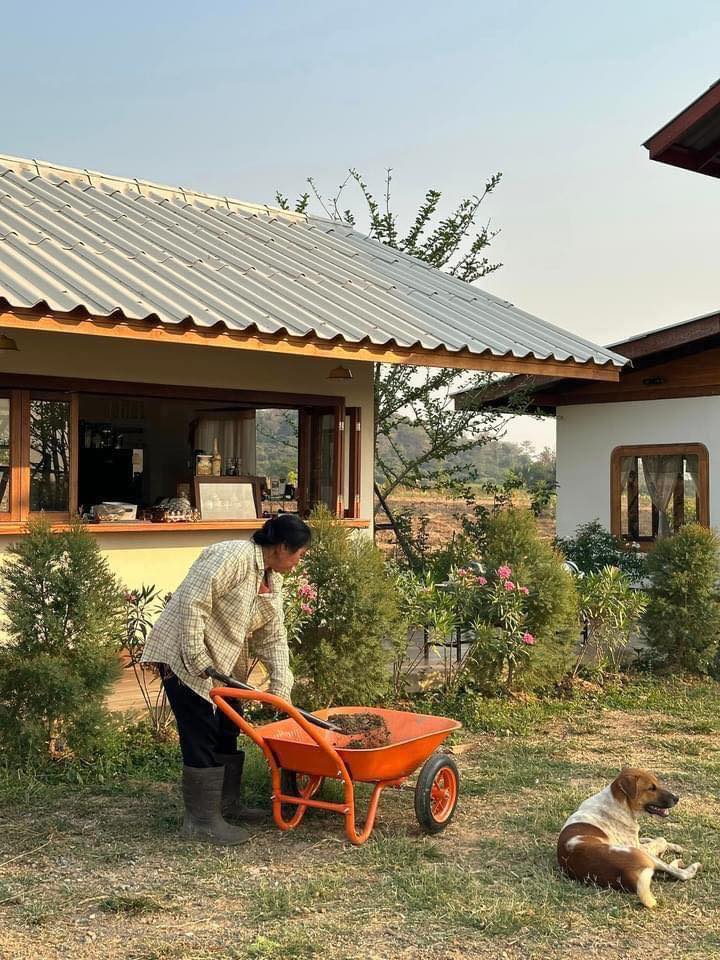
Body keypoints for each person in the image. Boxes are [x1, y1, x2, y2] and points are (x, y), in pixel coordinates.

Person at [142, 514, 311, 845]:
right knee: (200, 731)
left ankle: (225, 804)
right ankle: (201, 821)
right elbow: (193, 602)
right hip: (183, 654)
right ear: (282, 547)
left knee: (228, 726)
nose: (298, 563)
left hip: (221, 663)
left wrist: (281, 687)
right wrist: (195, 656)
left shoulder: (269, 579)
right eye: (299, 555)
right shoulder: (231, 555)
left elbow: (273, 636)